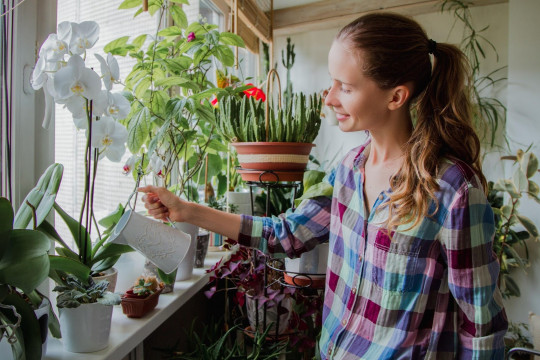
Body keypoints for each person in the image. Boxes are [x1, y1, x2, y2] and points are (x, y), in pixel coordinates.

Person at [139, 12, 507, 360]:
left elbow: (481, 326)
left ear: (396, 96)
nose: (329, 98)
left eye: (345, 87)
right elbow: (285, 234)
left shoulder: (453, 191)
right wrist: (186, 211)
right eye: (332, 83)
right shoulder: (349, 170)